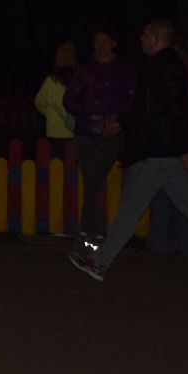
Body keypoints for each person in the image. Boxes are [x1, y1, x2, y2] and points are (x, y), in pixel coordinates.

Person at [67, 20, 188, 285]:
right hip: (164, 153)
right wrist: (123, 123)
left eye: (145, 35)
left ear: (157, 39)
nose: (141, 38)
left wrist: (183, 147)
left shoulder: (162, 68)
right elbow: (150, 108)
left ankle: (99, 263)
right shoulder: (166, 67)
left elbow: (178, 111)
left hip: (154, 152)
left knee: (129, 211)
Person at [63, 28, 136, 247]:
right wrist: (88, 112)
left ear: (114, 43)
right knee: (91, 182)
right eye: (96, 41)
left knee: (94, 179)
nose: (100, 45)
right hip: (86, 134)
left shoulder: (124, 71)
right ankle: (93, 233)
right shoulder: (84, 71)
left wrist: (117, 122)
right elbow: (69, 100)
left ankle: (87, 230)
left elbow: (132, 102)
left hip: (112, 135)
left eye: (105, 41)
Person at [147, 33, 188, 257]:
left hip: (180, 145)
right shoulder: (178, 72)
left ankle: (180, 244)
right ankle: (167, 243)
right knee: (167, 196)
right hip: (170, 144)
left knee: (182, 198)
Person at [33, 42, 78, 143]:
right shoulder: (78, 80)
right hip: (74, 133)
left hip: (57, 133)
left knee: (58, 158)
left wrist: (50, 113)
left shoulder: (51, 81)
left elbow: (39, 102)